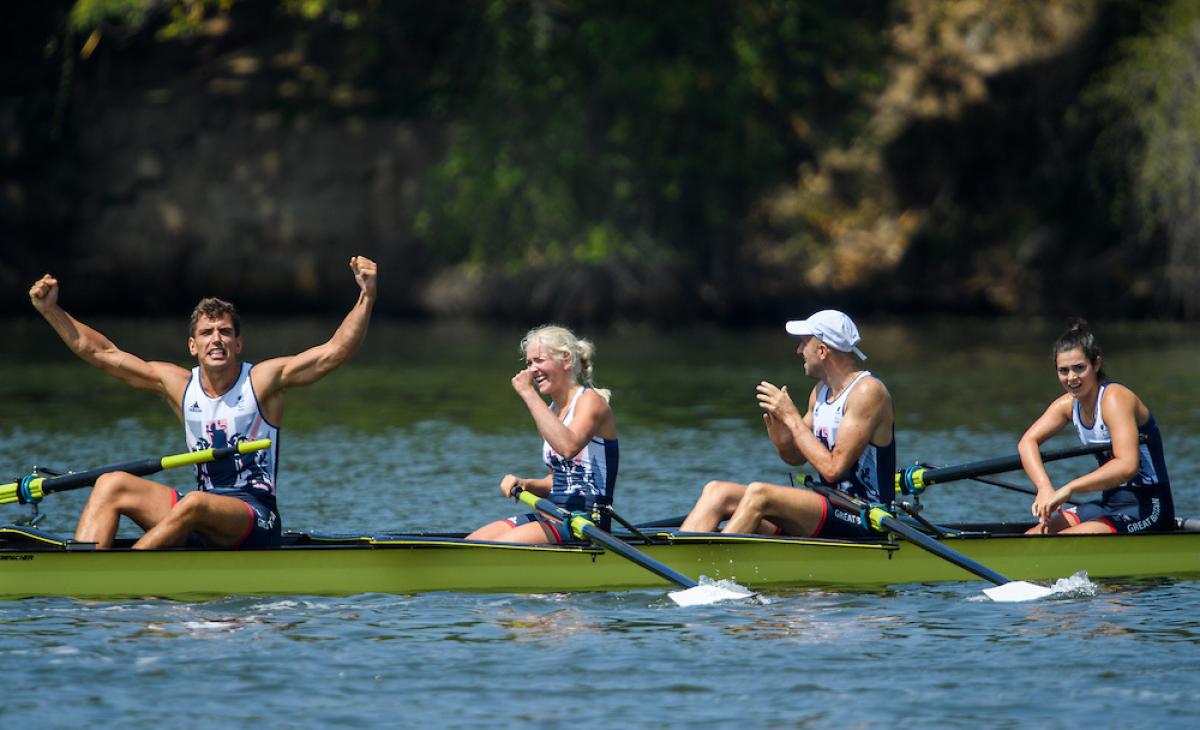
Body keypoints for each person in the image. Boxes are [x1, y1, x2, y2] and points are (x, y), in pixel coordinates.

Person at [27, 256, 378, 549]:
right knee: (111, 483)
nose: (217, 340)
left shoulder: (264, 380)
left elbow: (334, 352)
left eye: (225, 332)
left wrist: (366, 296)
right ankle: (84, 573)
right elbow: (103, 353)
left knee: (194, 502)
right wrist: (51, 311)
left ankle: (123, 572)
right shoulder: (178, 384)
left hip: (255, 516)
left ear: (238, 344)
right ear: (192, 347)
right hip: (201, 515)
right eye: (207, 333)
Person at [680, 310, 895, 537]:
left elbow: (833, 470)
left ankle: (711, 569)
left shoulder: (867, 392)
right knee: (717, 491)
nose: (799, 350)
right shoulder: (821, 392)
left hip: (862, 516)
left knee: (759, 494)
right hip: (829, 506)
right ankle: (676, 561)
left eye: (804, 343)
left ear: (822, 351)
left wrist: (792, 418)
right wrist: (784, 443)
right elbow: (796, 458)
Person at [1018, 319, 1173, 535]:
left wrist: (1069, 488)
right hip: (1109, 503)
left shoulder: (1115, 399)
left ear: (1096, 364)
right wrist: (1044, 487)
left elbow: (1127, 466)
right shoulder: (1067, 405)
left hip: (1149, 508)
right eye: (1063, 370)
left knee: (1060, 542)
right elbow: (1027, 443)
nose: (1071, 378)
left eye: (1079, 368)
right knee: (1035, 535)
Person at [467, 325, 618, 544]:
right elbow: (557, 480)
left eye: (539, 360)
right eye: (529, 363)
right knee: (473, 541)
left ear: (566, 359)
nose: (531, 370)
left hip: (587, 523)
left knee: (496, 547)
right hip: (554, 515)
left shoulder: (591, 401)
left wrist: (528, 394)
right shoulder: (550, 413)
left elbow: (568, 447)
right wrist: (527, 484)